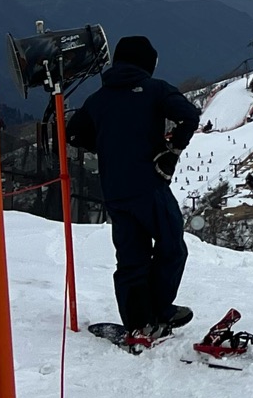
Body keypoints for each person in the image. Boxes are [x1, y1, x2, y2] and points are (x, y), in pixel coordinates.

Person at [67, 36, 202, 346]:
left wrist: (108, 146)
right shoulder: (155, 90)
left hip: (115, 190)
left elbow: (73, 134)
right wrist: (171, 151)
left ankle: (138, 323)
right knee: (172, 247)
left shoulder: (98, 99)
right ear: (147, 63)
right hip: (149, 186)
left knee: (131, 258)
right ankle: (160, 312)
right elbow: (189, 116)